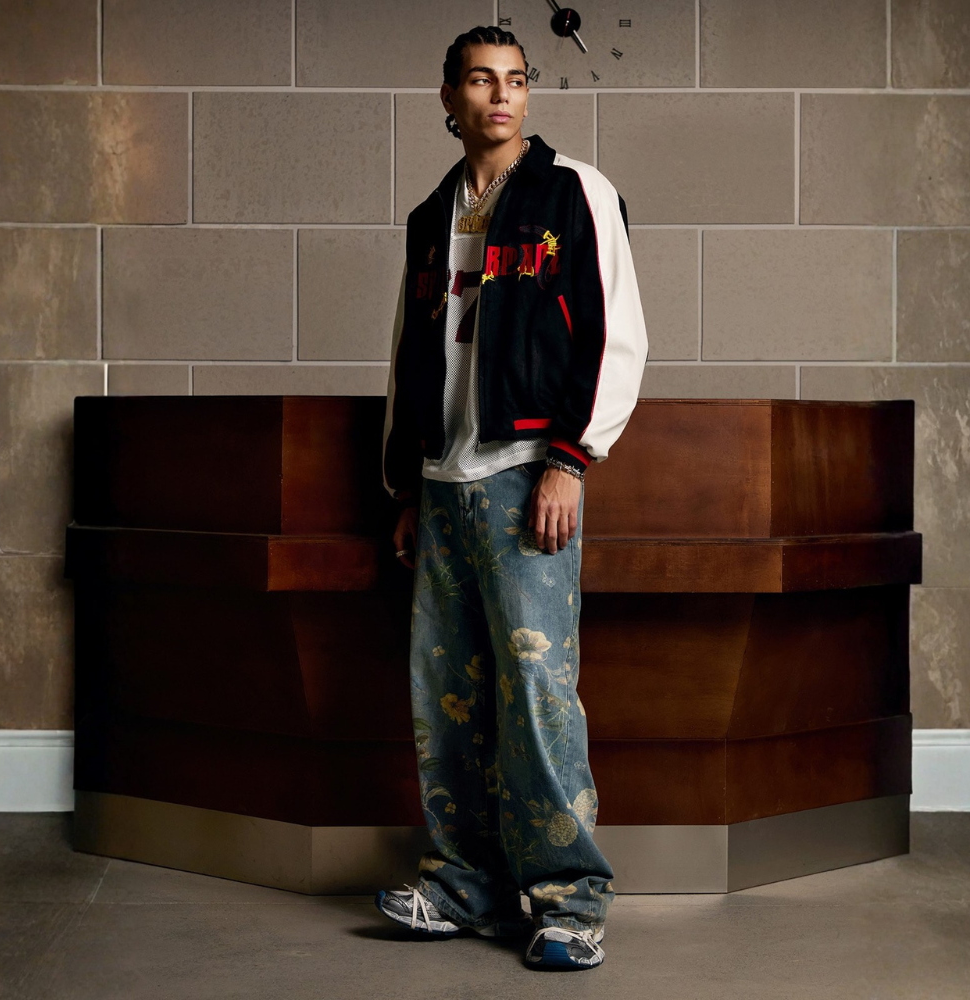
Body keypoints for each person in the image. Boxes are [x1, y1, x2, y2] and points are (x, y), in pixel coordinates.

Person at [375, 24, 648, 971]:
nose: (501, 95)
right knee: (445, 696)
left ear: (528, 94)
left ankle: (570, 901)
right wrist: (406, 484)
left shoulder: (574, 192)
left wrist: (571, 459)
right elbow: (410, 355)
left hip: (529, 475)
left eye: (517, 80)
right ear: (449, 97)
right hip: (442, 483)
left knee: (536, 692)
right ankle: (467, 886)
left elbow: (616, 332)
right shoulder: (431, 215)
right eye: (482, 80)